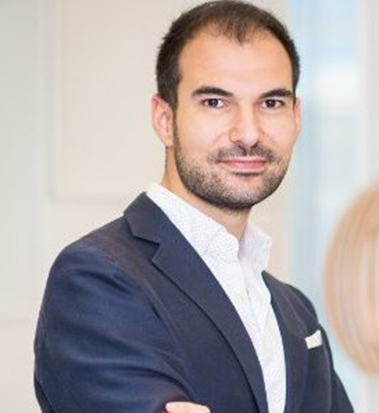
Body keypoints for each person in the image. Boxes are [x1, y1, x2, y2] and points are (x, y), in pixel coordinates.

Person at [33, 1, 353, 413]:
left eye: (271, 103)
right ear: (165, 119)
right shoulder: (97, 279)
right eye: (215, 102)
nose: (248, 133)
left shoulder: (296, 312)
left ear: (297, 116)